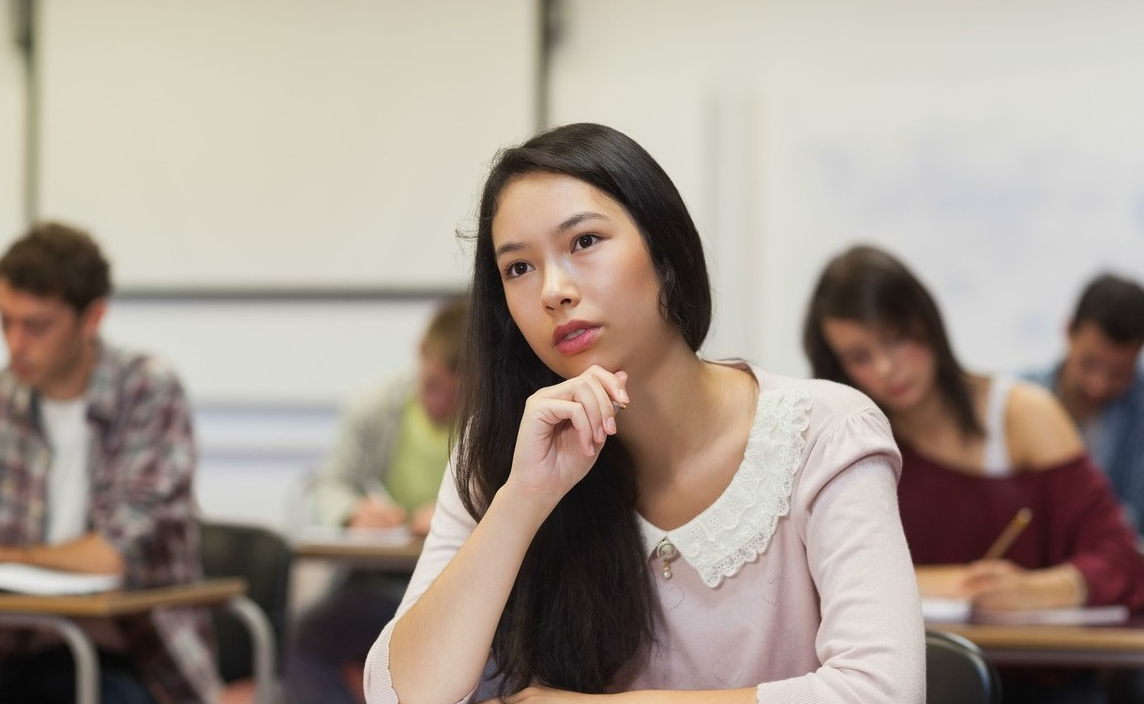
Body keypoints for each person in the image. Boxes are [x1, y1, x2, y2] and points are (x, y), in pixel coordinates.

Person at [363, 124, 925, 704]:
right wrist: (524, 498)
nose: (553, 290)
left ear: (664, 248)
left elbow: (883, 691)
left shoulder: (826, 431)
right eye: (519, 269)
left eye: (583, 242)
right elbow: (397, 696)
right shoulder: (507, 448)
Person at [803, 244, 1144, 704]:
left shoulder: (1021, 414)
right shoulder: (840, 441)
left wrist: (1038, 589)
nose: (887, 368)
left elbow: (1127, 562)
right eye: (859, 356)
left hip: (1039, 687)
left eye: (897, 339)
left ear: (926, 323)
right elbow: (808, 583)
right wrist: (953, 581)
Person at [0, 223, 218, 704]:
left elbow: (110, 555)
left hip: (132, 656)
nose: (15, 342)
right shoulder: (1, 398)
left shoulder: (148, 391)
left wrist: (9, 556)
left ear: (92, 318)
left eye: (36, 326)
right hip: (13, 644)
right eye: (4, 319)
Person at [286, 296, 468, 704]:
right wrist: (354, 512)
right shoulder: (376, 406)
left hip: (457, 588)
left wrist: (455, 515)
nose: (440, 405)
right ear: (421, 355)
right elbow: (330, 484)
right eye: (433, 386)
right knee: (305, 639)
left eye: (457, 395)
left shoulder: (495, 421)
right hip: (381, 581)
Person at [1025, 273, 1144, 548]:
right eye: (1089, 364)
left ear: (1140, 353)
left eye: (1120, 373)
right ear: (1069, 331)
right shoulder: (1023, 396)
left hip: (1111, 565)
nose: (1099, 386)